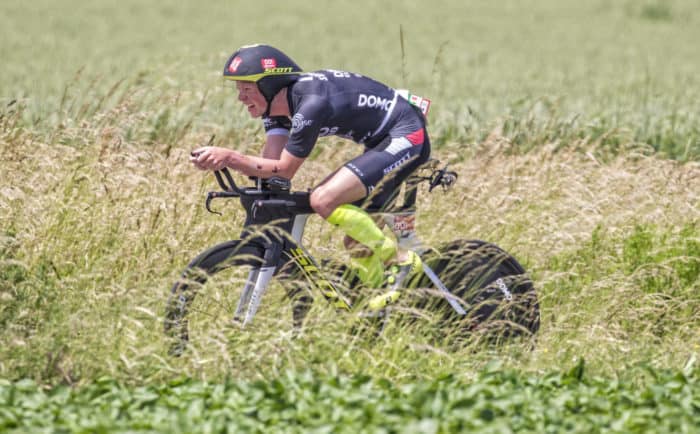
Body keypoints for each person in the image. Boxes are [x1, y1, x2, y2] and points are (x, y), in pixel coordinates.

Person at [190, 44, 430, 308]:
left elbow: (284, 169)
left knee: (323, 200)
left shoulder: (310, 104)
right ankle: (373, 307)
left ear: (270, 86)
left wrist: (231, 158)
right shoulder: (277, 110)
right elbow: (270, 168)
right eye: (238, 89)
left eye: (246, 89)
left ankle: (401, 260)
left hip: (405, 134)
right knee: (356, 243)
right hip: (381, 141)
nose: (240, 98)